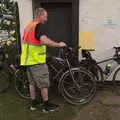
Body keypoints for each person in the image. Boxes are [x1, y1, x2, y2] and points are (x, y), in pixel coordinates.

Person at [20, 8, 66, 112]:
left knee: (32, 83)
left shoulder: (29, 26)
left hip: (28, 61)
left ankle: (33, 104)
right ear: (40, 16)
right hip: (37, 61)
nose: (46, 19)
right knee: (44, 84)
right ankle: (46, 106)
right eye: (45, 16)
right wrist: (59, 44)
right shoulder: (38, 26)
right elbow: (43, 40)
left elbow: (26, 41)